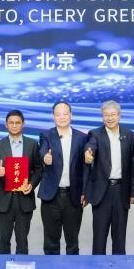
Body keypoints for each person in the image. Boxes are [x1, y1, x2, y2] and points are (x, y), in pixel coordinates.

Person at [83, 100, 134, 255]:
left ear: (119, 115)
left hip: (121, 192)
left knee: (119, 239)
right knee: (99, 239)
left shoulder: (129, 135)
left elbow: (133, 166)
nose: (110, 118)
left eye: (113, 114)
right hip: (102, 193)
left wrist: (133, 192)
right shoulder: (95, 134)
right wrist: (88, 154)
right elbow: (90, 146)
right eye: (106, 115)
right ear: (102, 117)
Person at [36, 101, 88, 255]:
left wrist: (85, 191)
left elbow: (85, 168)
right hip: (51, 196)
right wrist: (45, 158)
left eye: (65, 113)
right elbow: (43, 151)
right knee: (51, 242)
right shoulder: (46, 135)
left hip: (74, 196)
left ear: (71, 115)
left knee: (72, 242)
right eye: (58, 114)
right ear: (53, 117)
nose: (62, 117)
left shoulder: (82, 137)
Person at [0, 109, 42, 255]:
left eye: (17, 122)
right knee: (3, 240)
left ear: (23, 124)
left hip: (24, 199)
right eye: (11, 122)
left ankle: (21, 268)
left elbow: (38, 168)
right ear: (6, 125)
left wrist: (32, 184)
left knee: (22, 240)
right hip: (3, 199)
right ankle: (3, 268)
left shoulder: (32, 144)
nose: (14, 125)